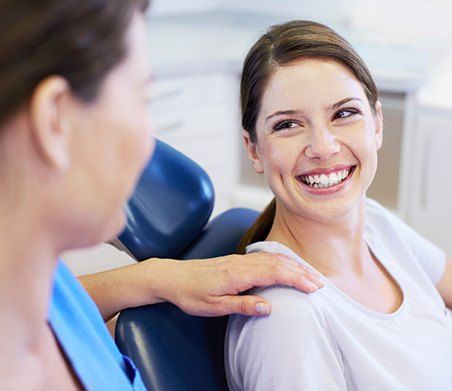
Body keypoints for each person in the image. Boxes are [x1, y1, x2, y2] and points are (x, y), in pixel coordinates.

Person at [0, 2, 324, 389]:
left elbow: (64, 306)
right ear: (54, 122)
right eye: (142, 99)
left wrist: (155, 277)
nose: (148, 146)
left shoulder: (41, 282)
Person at [225, 20, 452, 391]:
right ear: (254, 149)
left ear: (377, 124)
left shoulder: (378, 227)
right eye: (288, 125)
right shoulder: (286, 319)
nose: (324, 147)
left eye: (344, 114)